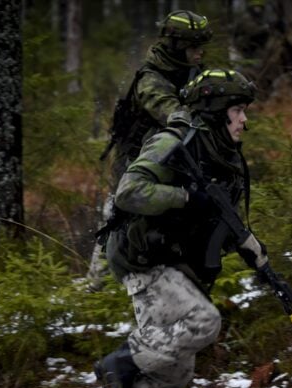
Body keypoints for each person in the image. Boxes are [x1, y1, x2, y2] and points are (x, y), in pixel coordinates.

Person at [91, 68, 292, 388]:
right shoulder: (174, 143)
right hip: (145, 260)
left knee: (175, 373)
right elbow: (129, 192)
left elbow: (223, 216)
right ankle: (120, 360)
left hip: (173, 263)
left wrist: (261, 260)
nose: (244, 119)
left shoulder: (221, 153)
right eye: (237, 110)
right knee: (204, 322)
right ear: (217, 111)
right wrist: (184, 198)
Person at [88, 9, 213, 289]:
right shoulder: (151, 80)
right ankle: (97, 286)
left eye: (201, 47)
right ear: (177, 46)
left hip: (170, 156)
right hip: (136, 159)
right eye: (194, 47)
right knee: (118, 215)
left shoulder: (190, 70)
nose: (199, 53)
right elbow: (173, 114)